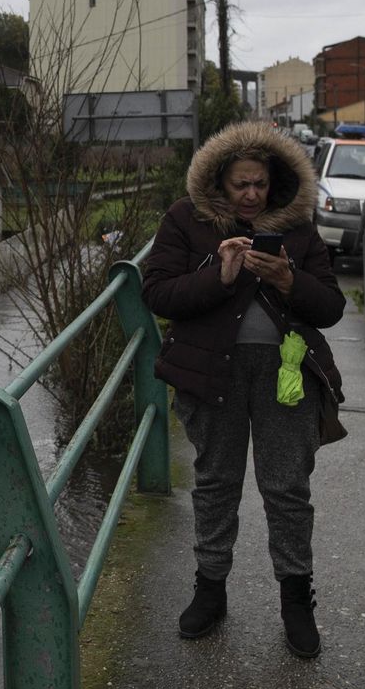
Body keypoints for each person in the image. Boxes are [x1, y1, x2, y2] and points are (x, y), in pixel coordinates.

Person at [142, 121, 346, 659]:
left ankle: (296, 601)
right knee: (215, 483)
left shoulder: (299, 227)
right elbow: (158, 293)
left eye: (259, 184)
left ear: (274, 183)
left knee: (286, 489)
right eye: (240, 185)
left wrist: (286, 279)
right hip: (212, 375)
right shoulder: (186, 221)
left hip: (286, 376)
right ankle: (210, 590)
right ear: (219, 183)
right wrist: (221, 275)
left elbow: (331, 308)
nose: (251, 195)